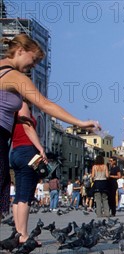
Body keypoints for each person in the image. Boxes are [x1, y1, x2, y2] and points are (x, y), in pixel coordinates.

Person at [0, 33, 99, 220]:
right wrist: (80, 122)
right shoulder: (15, 76)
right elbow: (45, 105)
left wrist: (19, 121)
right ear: (20, 51)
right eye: (34, 59)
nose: (34, 65)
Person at [9, 101, 46, 244]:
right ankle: (23, 234)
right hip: (26, 151)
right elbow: (28, 127)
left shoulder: (8, 107)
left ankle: (18, 233)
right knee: (26, 195)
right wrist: (40, 148)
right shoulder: (21, 105)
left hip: (15, 151)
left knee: (19, 195)